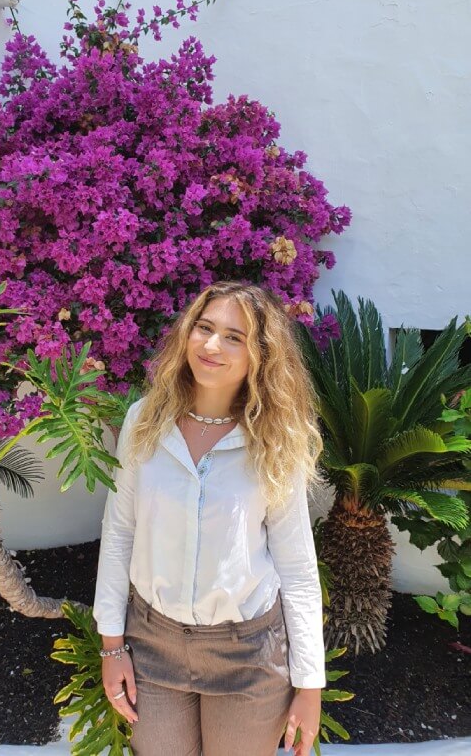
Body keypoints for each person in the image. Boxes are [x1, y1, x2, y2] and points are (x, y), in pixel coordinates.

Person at [93, 281, 326, 756]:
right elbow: (120, 532)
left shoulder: (277, 440)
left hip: (248, 654)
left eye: (234, 337)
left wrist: (309, 687)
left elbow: (298, 571)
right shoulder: (145, 420)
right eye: (204, 328)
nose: (212, 345)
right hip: (153, 643)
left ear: (259, 355)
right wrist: (112, 646)